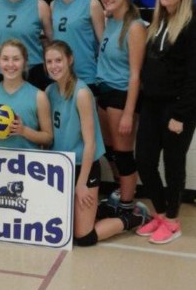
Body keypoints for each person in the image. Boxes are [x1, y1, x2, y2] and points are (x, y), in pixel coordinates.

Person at [134, 0, 196, 244]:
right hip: (153, 106)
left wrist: (180, 114)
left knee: (174, 163)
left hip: (179, 108)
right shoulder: (159, 20)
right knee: (144, 159)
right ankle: (160, 213)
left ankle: (172, 220)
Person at [44, 41, 148, 246]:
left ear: (70, 60)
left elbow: (90, 144)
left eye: (58, 60)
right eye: (49, 62)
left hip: (85, 167)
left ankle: (135, 217)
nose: (54, 66)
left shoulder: (81, 93)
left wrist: (81, 184)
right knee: (59, 230)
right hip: (61, 168)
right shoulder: (49, 91)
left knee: (83, 237)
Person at [93, 0, 147, 219]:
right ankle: (119, 192)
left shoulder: (135, 27)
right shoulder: (111, 20)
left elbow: (136, 75)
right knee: (110, 150)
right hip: (103, 92)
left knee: (124, 154)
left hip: (121, 96)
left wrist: (128, 112)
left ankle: (128, 207)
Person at [0, 39, 53, 150]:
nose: (10, 64)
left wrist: (23, 131)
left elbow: (48, 138)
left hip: (28, 163)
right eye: (5, 59)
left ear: (25, 62)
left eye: (16, 59)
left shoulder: (39, 96)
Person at [49, 0, 104, 90]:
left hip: (85, 74)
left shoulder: (92, 4)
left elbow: (103, 43)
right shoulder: (53, 5)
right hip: (60, 75)